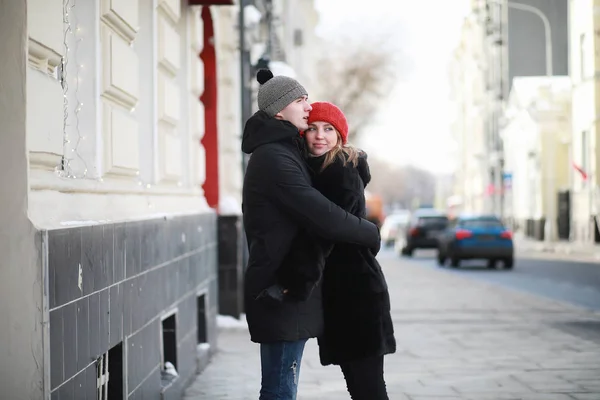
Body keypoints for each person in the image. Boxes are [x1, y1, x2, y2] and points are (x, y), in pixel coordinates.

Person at [241, 69, 381, 400]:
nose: (308, 107)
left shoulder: (285, 151)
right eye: (301, 101)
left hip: (286, 288)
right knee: (278, 390)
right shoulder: (275, 157)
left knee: (280, 386)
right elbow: (320, 214)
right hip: (280, 287)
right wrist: (369, 232)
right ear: (279, 110)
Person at [278, 102, 396, 399]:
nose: (320, 135)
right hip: (346, 292)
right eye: (313, 128)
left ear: (340, 136)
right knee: (360, 385)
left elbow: (323, 232)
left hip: (355, 293)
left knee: (366, 386)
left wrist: (296, 280)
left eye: (328, 129)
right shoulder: (320, 169)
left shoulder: (338, 171)